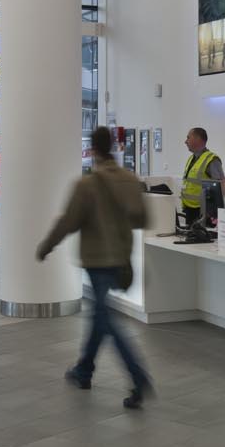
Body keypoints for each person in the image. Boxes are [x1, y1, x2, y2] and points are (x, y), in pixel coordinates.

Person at [36, 126, 152, 408]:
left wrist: (46, 246)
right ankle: (84, 370)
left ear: (93, 149)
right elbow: (141, 220)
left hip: (98, 261)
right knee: (100, 317)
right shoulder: (129, 179)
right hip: (122, 259)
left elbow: (68, 222)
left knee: (106, 319)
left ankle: (138, 377)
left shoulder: (86, 185)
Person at [180, 127, 225, 232]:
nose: (185, 141)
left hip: (203, 211)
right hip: (189, 209)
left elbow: (222, 182)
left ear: (197, 139)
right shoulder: (191, 159)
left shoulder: (211, 160)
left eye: (188, 138)